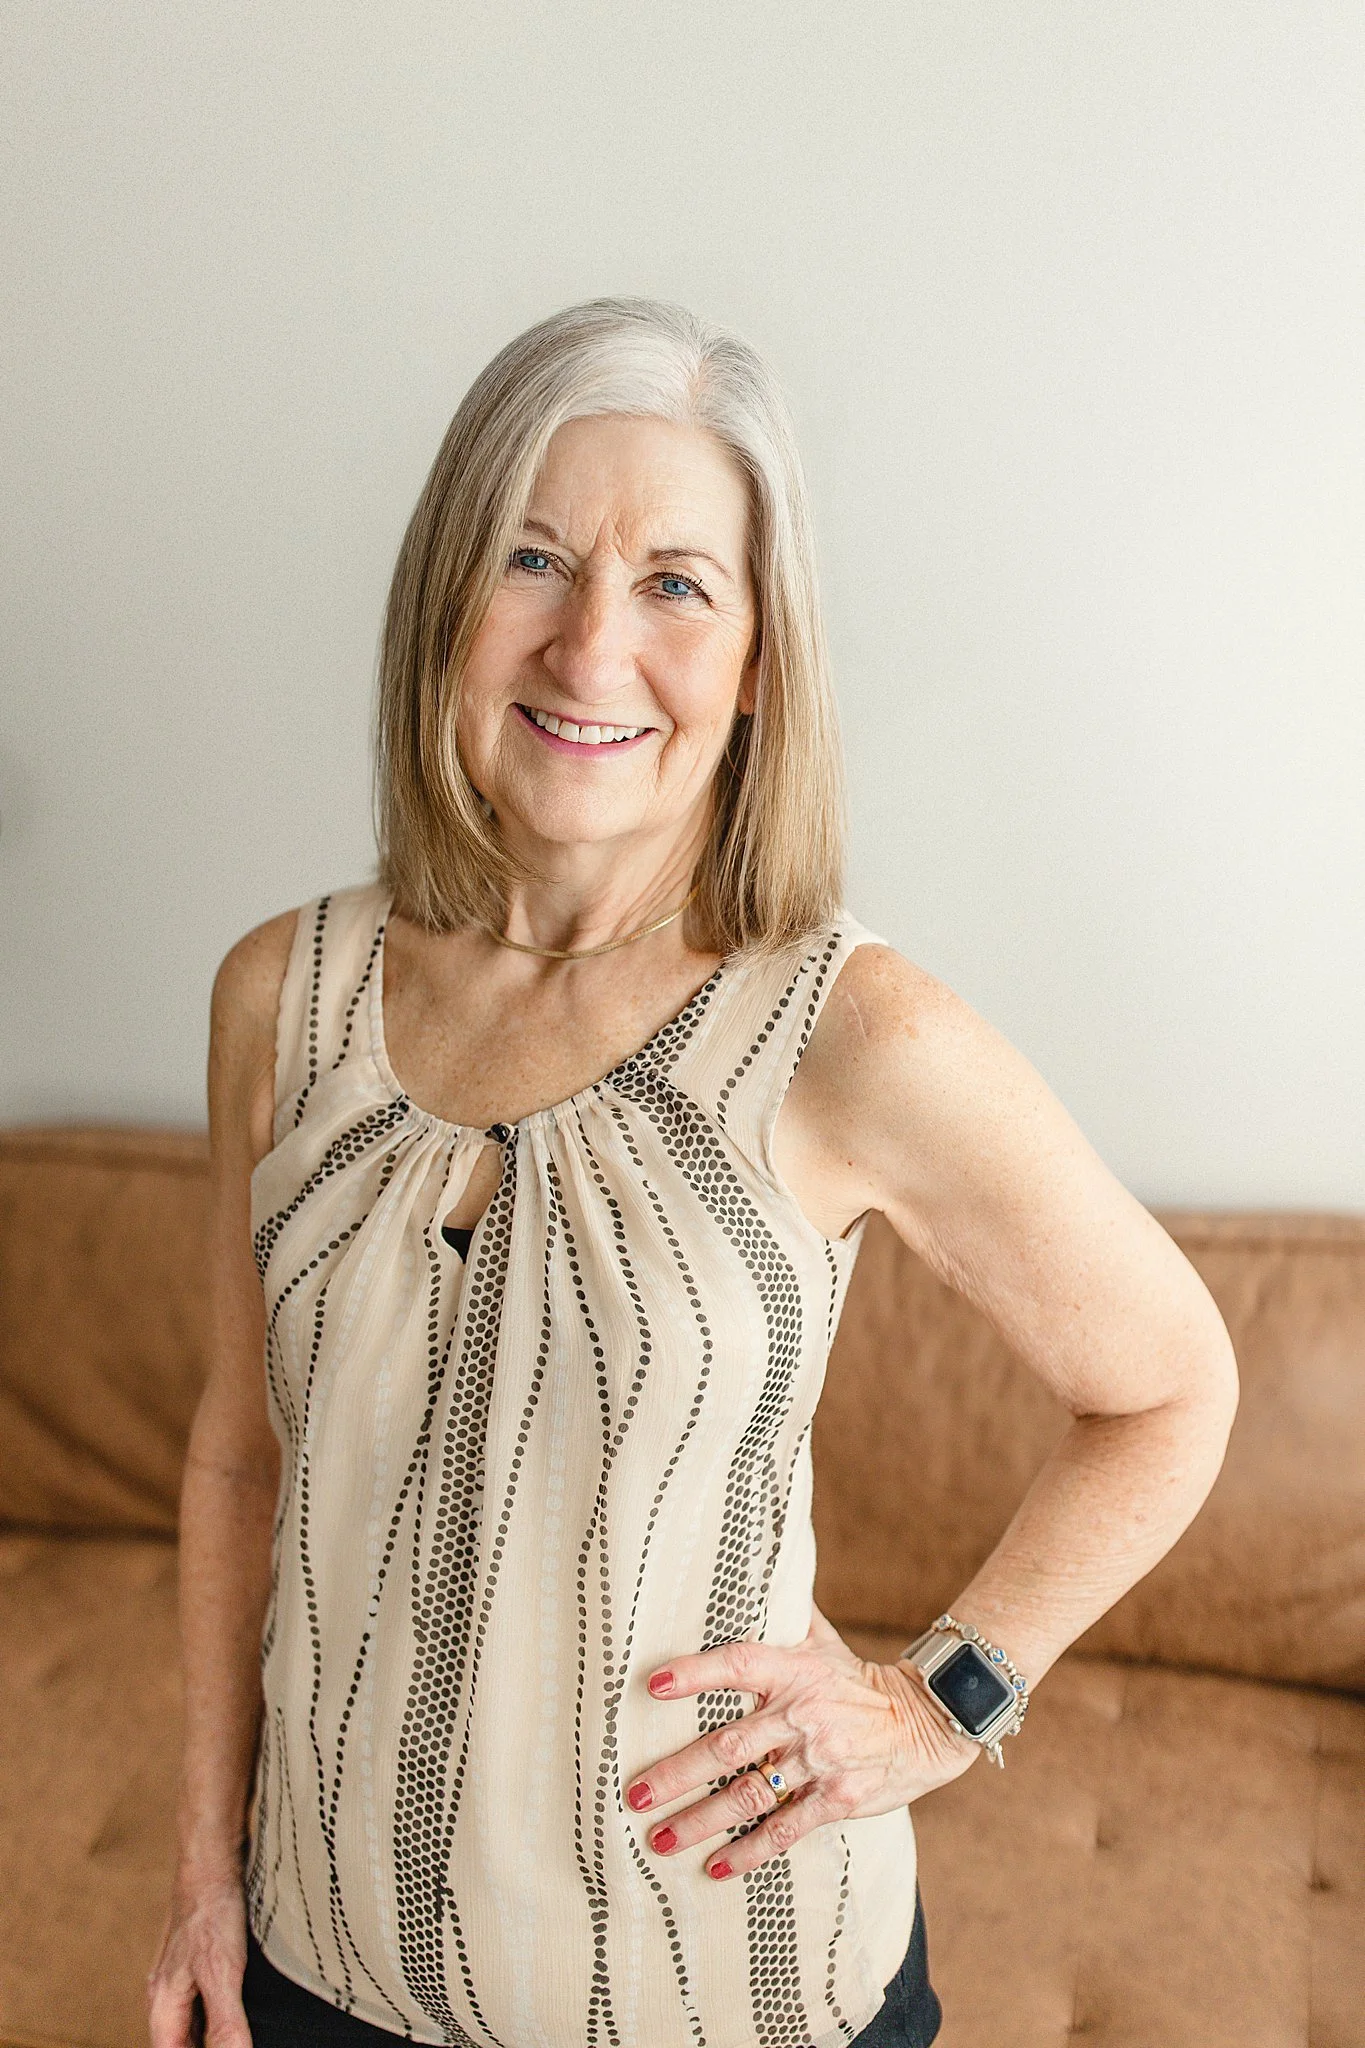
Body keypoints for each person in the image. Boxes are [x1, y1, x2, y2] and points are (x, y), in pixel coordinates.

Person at [147, 296, 1239, 2048]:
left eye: (676, 583)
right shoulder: (283, 995)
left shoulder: (854, 1032)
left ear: (760, 659)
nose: (590, 649)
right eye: (530, 559)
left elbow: (1177, 1385)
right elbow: (232, 1453)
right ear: (445, 604)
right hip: (315, 1973)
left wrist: (939, 1703)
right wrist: (206, 1875)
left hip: (731, 1994)